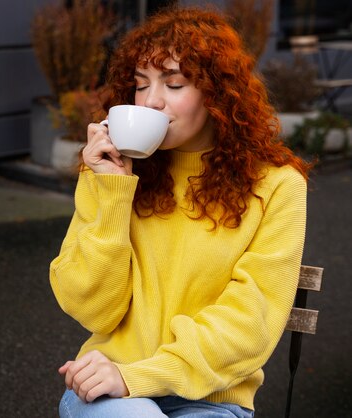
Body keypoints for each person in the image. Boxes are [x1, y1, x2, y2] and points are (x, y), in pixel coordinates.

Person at [49, 5, 311, 418]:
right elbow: (91, 308)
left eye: (173, 84)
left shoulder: (276, 186)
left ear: (217, 95)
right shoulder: (108, 172)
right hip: (109, 393)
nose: (151, 102)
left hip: (211, 400)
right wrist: (114, 190)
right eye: (140, 85)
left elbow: (248, 324)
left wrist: (142, 375)